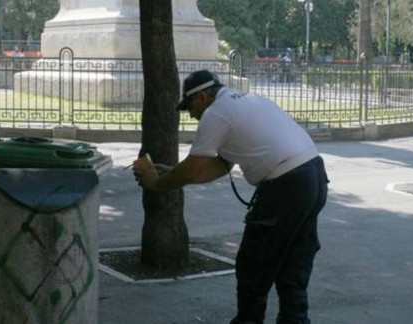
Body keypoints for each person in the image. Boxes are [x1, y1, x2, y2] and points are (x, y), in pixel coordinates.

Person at [133, 70, 328, 324]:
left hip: (285, 185)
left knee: (253, 263)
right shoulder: (247, 100)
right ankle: (295, 319)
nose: (191, 115)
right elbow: (220, 166)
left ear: (202, 96)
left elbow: (193, 168)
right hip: (313, 176)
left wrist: (157, 184)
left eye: (190, 107)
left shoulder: (216, 113)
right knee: (294, 261)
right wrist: (173, 174)